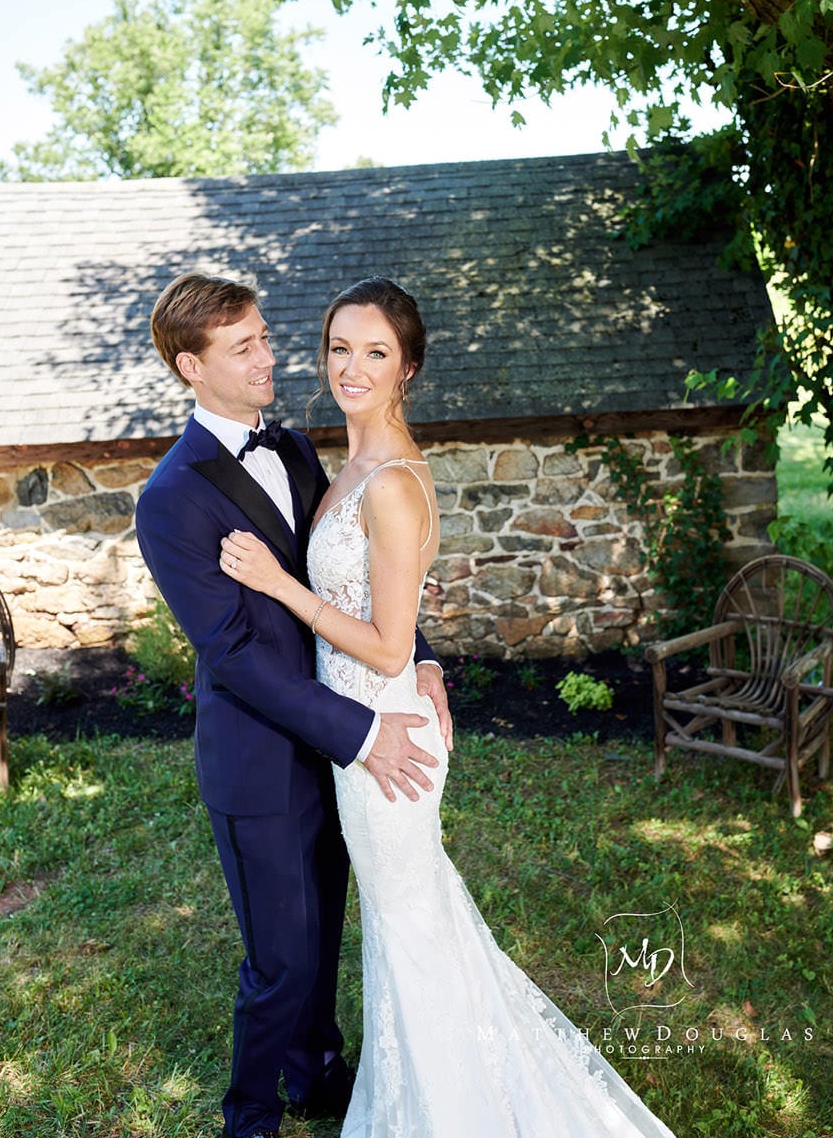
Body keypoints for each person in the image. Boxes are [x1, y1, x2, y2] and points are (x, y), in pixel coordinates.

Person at [219, 277, 676, 1138]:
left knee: (411, 933)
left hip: (384, 744)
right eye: (340, 348)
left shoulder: (390, 483)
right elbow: (394, 614)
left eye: (376, 352)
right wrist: (427, 660)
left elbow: (388, 645)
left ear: (408, 369)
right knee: (411, 930)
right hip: (365, 731)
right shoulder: (352, 462)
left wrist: (282, 586)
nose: (351, 368)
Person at [135, 273, 452, 1138]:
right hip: (263, 762)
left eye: (267, 338)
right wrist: (361, 733)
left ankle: (316, 1074)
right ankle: (250, 1115)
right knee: (280, 959)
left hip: (336, 747)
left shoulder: (300, 450)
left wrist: (420, 656)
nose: (269, 358)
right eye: (244, 348)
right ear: (192, 366)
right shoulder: (171, 498)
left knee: (323, 940)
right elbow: (233, 655)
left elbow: (359, 577)